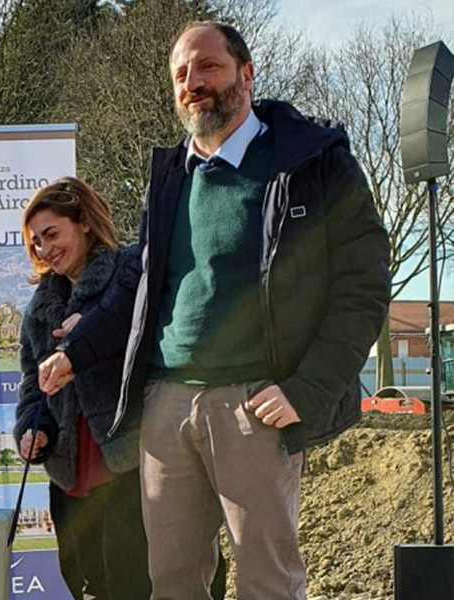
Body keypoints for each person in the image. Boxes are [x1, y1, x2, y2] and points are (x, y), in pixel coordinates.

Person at [38, 21, 391, 600]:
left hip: (255, 403)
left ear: (246, 75)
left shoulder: (313, 163)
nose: (193, 83)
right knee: (171, 580)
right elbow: (137, 283)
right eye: (181, 73)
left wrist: (306, 390)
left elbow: (363, 289)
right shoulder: (172, 175)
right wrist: (76, 353)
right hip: (166, 403)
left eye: (208, 67)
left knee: (265, 582)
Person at [14, 177, 149, 599]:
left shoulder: (131, 272)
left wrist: (87, 337)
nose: (44, 249)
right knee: (85, 584)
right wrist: (31, 431)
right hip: (70, 473)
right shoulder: (39, 307)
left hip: (131, 462)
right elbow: (32, 386)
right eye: (36, 242)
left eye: (52, 234)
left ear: (85, 223)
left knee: (135, 584)